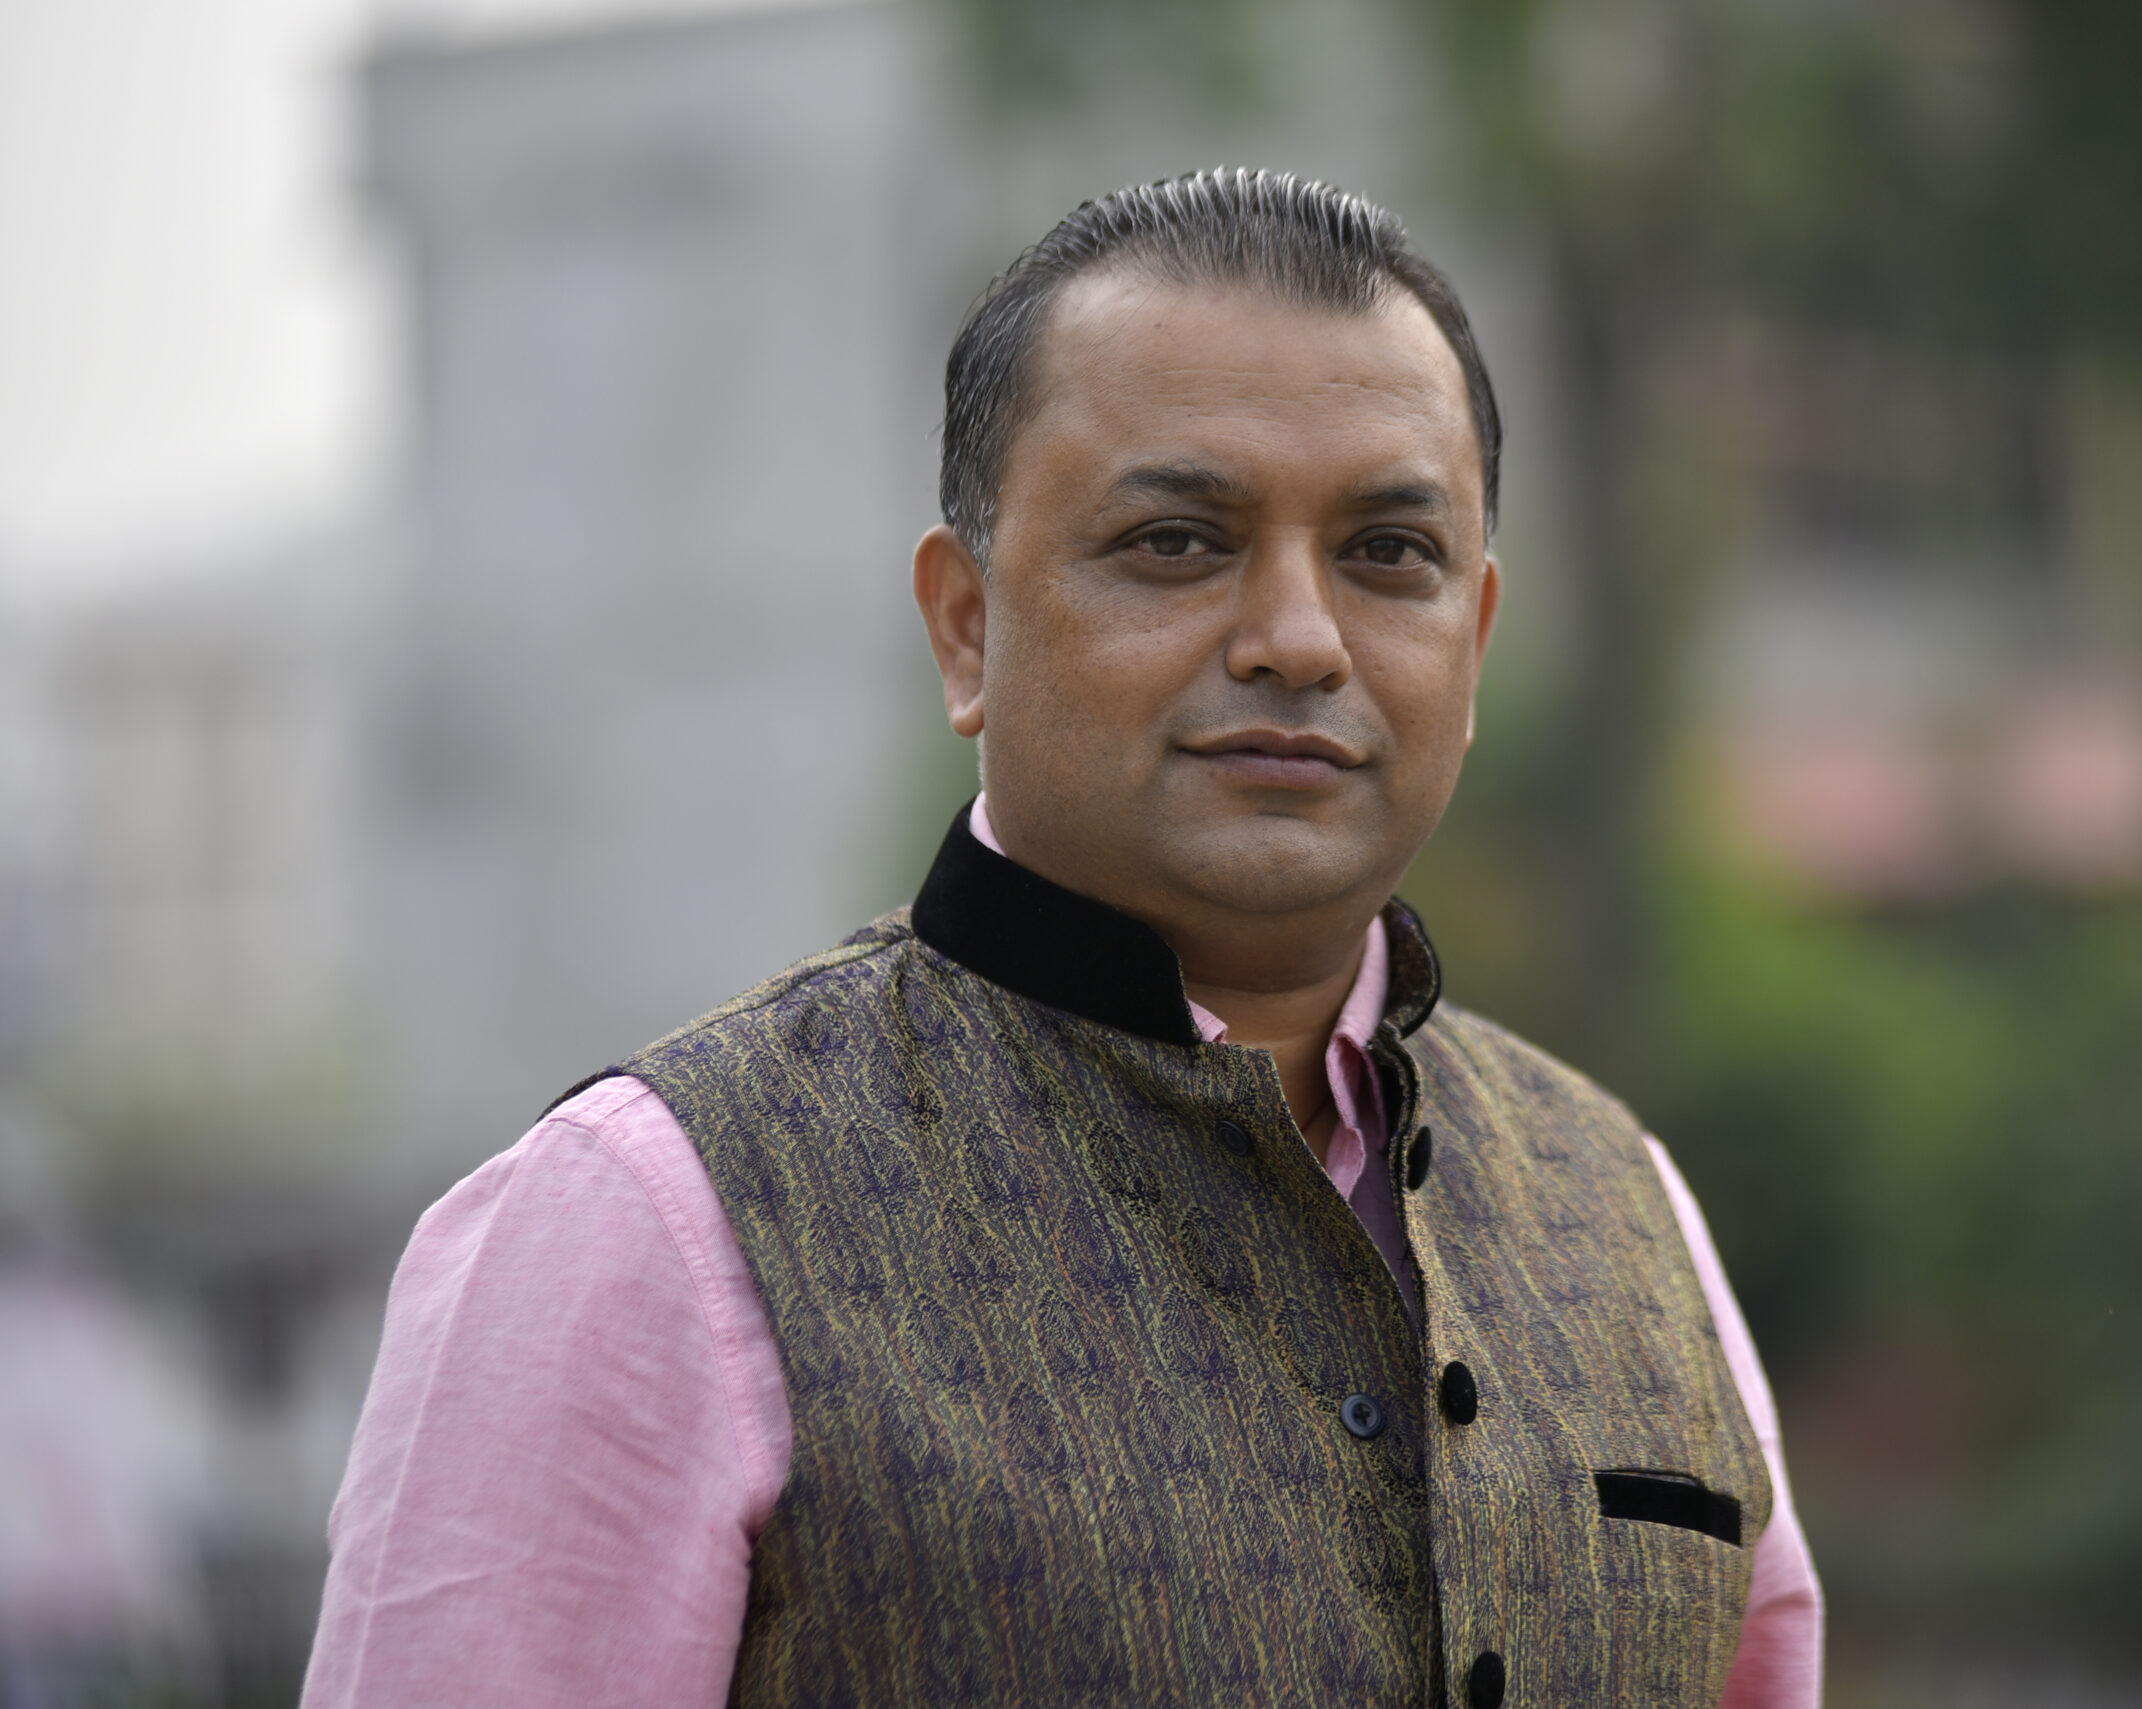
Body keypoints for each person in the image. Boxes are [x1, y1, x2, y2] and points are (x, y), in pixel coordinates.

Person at [303, 168, 1821, 1709]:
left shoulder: (1621, 1207)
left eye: (1387, 553)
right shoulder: (650, 1221)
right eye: (1177, 540)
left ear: (1474, 641)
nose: (1299, 637)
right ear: (966, 624)